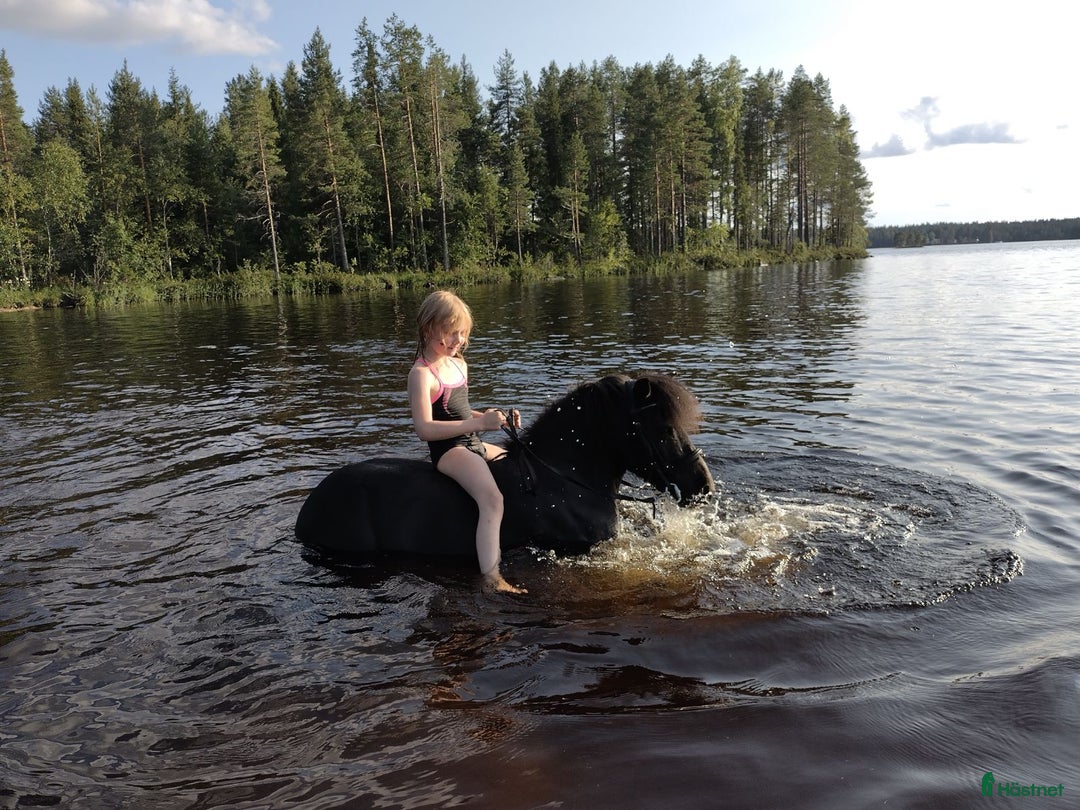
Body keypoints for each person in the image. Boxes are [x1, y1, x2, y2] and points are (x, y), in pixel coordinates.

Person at [407, 290, 526, 595]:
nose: (458, 339)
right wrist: (479, 424)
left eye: (463, 333)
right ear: (428, 328)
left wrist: (494, 418)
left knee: (520, 463)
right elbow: (424, 428)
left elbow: (458, 410)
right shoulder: (421, 374)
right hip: (450, 451)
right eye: (451, 332)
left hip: (473, 441)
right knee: (492, 499)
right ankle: (492, 577)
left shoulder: (458, 363)